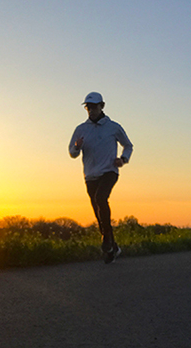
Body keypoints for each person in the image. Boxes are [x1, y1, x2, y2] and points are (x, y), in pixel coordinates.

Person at [69, 92, 133, 264]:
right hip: (90, 175)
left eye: (95, 106)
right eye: (88, 107)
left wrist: (123, 159)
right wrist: (77, 147)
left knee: (101, 198)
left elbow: (128, 145)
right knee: (98, 214)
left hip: (109, 171)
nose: (91, 110)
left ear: (102, 106)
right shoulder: (81, 129)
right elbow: (72, 153)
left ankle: (106, 240)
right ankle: (113, 248)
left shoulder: (113, 127)